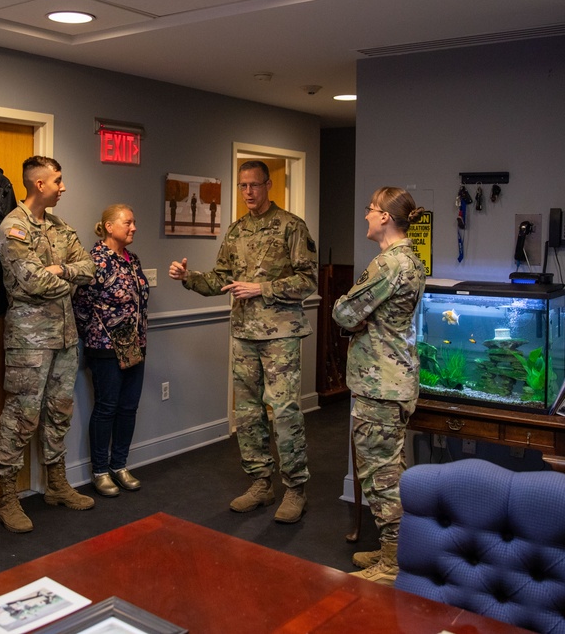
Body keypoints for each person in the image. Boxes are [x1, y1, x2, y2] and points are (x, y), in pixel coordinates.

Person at [169, 160, 318, 524]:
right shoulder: (236, 231)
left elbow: (308, 280)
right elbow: (221, 278)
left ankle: (295, 488)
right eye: (243, 186)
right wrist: (189, 278)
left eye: (254, 185)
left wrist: (262, 288)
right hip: (244, 333)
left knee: (283, 412)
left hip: (280, 334)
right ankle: (260, 482)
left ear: (269, 185)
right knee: (248, 413)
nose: (249, 192)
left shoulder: (291, 227)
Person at [0, 155, 96, 533]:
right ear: (39, 184)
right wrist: (66, 279)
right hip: (29, 341)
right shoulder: (13, 228)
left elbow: (89, 268)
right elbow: (32, 282)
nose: (63, 187)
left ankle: (56, 484)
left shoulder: (58, 226)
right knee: (22, 416)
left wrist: (62, 271)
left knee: (59, 411)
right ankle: (6, 496)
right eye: (58, 180)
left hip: (65, 336)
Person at [332, 187, 427, 585]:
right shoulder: (413, 260)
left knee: (381, 478)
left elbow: (343, 311)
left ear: (386, 217)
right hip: (393, 381)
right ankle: (394, 550)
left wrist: (356, 318)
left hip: (381, 387)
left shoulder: (388, 265)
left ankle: (392, 566)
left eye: (371, 211)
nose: (367, 216)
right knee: (391, 471)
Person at [73, 205, 149, 498]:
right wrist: (93, 337)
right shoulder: (95, 261)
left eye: (133, 222)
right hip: (104, 348)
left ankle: (120, 465)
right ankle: (100, 471)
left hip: (136, 346)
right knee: (107, 407)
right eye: (128, 222)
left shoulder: (132, 260)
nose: (133, 227)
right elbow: (81, 305)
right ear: (108, 226)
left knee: (129, 407)